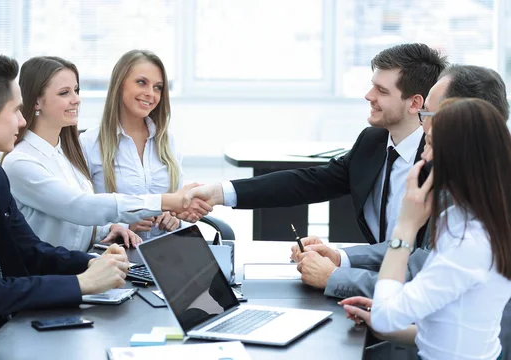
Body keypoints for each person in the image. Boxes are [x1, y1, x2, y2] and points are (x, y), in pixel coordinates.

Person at [0, 52, 204, 360]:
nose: (23, 121)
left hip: (0, 327)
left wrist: (88, 264)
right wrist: (82, 284)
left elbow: (30, 251)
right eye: (16, 111)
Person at [185, 43, 447, 287]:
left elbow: (420, 256)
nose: (368, 96)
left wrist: (338, 265)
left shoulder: (444, 160)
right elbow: (308, 182)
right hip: (374, 284)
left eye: (382, 90)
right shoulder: (373, 142)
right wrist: (218, 193)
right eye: (372, 86)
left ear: (415, 103)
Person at [341, 98, 511, 360]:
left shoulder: (471, 242)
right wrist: (388, 313)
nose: (422, 154)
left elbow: (388, 319)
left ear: (457, 157)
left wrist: (405, 228)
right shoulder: (461, 217)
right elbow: (447, 327)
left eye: (430, 144)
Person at [2, 56, 203, 252]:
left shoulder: (65, 154)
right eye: (64, 93)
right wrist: (165, 202)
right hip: (57, 273)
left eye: (76, 90)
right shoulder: (21, 162)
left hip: (94, 260)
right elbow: (80, 207)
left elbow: (77, 227)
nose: (77, 100)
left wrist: (112, 228)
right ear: (36, 101)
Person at [80, 50, 183, 240]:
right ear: (120, 84)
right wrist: (125, 224)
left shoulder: (167, 140)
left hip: (168, 254)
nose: (150, 94)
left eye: (158, 87)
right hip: (116, 257)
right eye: (142, 82)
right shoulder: (89, 143)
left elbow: (181, 204)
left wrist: (175, 217)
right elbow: (78, 214)